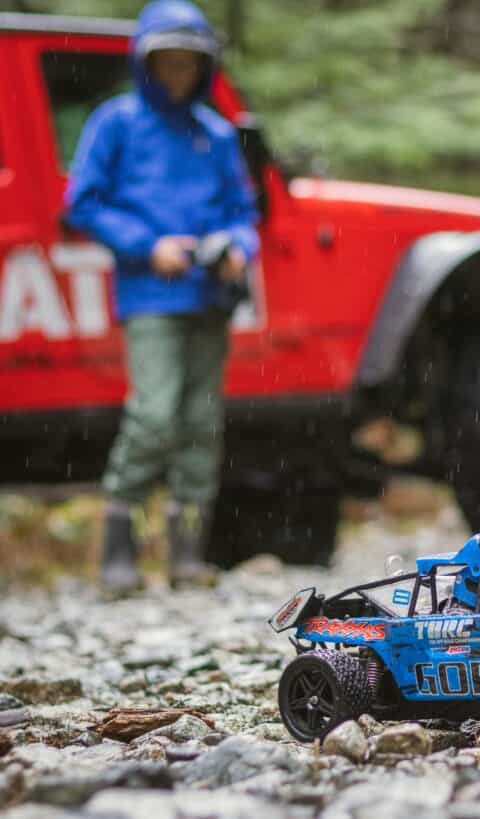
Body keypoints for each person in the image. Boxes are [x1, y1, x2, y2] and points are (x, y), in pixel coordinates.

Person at [65, 0, 259, 593]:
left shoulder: (217, 133)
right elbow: (82, 202)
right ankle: (118, 546)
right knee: (154, 414)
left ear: (203, 67)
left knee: (202, 420)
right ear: (146, 63)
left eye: (188, 65)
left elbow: (244, 212)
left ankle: (186, 555)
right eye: (167, 64)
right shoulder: (116, 122)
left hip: (210, 296)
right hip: (150, 293)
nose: (177, 75)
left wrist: (236, 248)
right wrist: (150, 246)